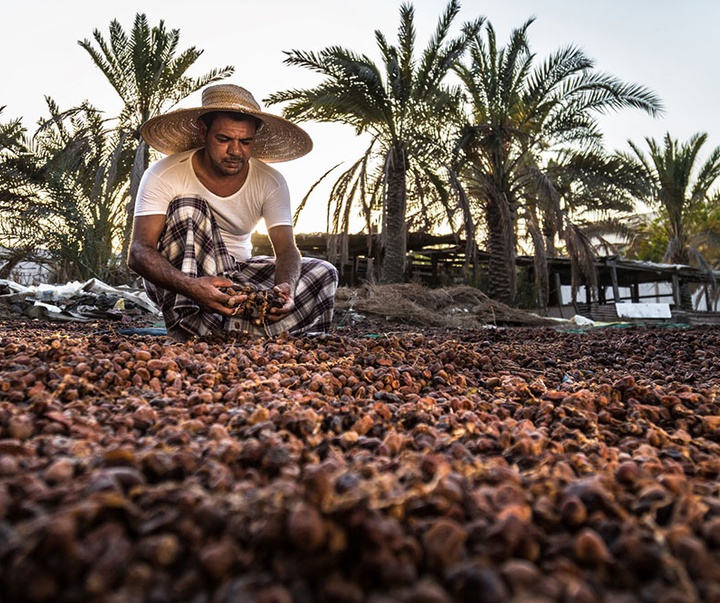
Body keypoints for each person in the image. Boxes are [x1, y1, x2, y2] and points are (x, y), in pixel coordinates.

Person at [128, 83, 338, 341]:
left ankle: (235, 332)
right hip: (184, 275)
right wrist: (192, 287)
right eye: (224, 139)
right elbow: (138, 252)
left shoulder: (270, 181)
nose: (236, 151)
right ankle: (191, 333)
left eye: (245, 142)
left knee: (324, 272)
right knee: (189, 208)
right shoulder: (164, 174)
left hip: (238, 273)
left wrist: (286, 289)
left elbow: (286, 250)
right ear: (204, 131)